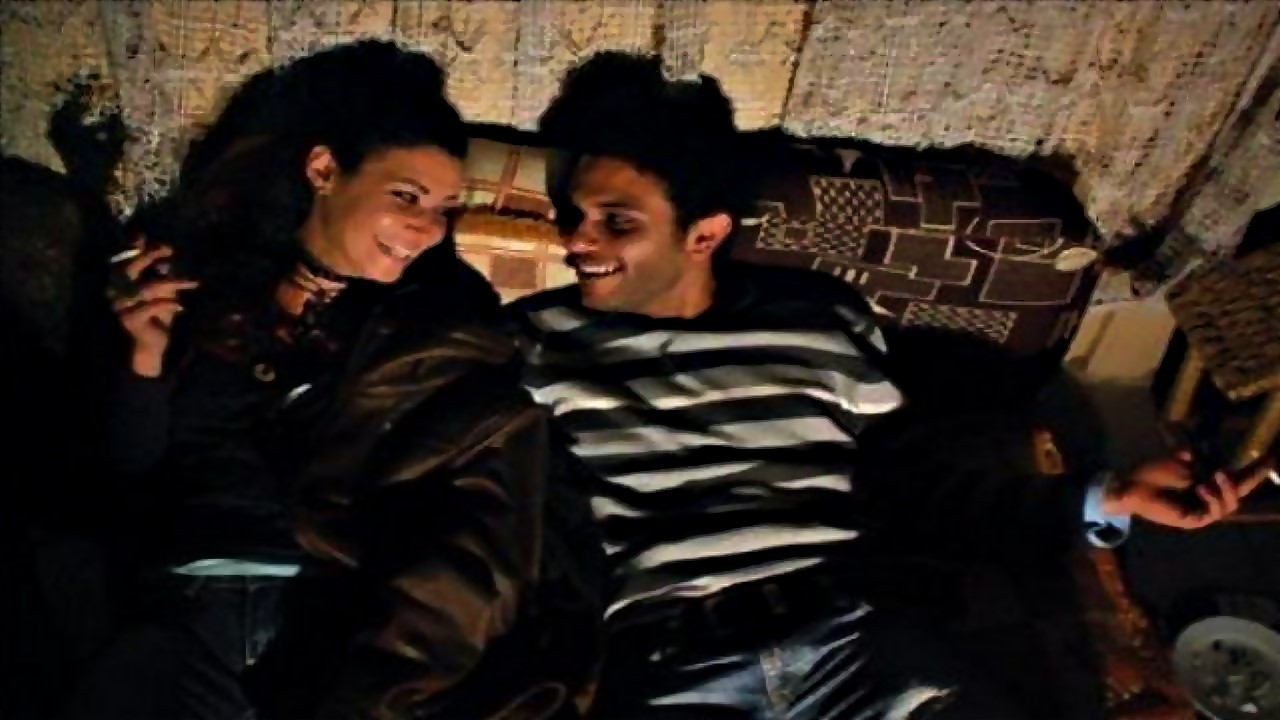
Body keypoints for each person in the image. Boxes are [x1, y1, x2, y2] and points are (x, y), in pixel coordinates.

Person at [509, 52, 1273, 719]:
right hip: (673, 667)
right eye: (575, 214)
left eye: (616, 221)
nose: (576, 239)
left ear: (704, 233)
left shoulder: (819, 322)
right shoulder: (535, 342)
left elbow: (917, 487)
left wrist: (1113, 495)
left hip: (852, 645)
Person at [70, 41, 600, 720]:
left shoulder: (440, 315)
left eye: (445, 207)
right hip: (190, 605)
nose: (426, 229)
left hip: (337, 615)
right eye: (405, 197)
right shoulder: (193, 277)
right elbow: (125, 471)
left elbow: (481, 468)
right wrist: (141, 357)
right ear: (324, 169)